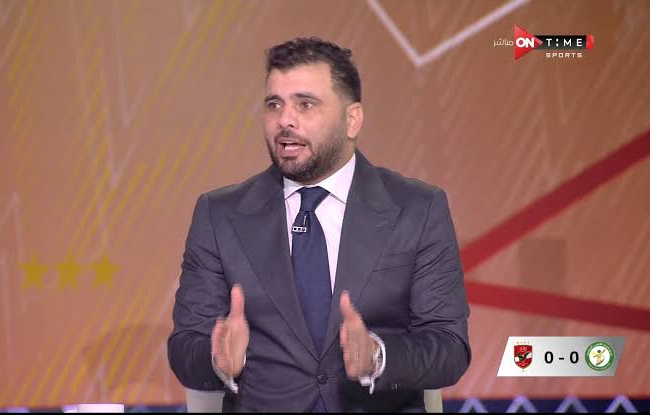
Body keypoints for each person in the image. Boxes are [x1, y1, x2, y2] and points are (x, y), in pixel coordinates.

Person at [168, 37, 471, 412]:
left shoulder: (417, 208)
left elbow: (449, 347)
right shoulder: (219, 215)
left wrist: (377, 356)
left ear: (352, 119)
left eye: (305, 104)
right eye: (274, 104)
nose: (285, 120)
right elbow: (185, 347)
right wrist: (219, 361)